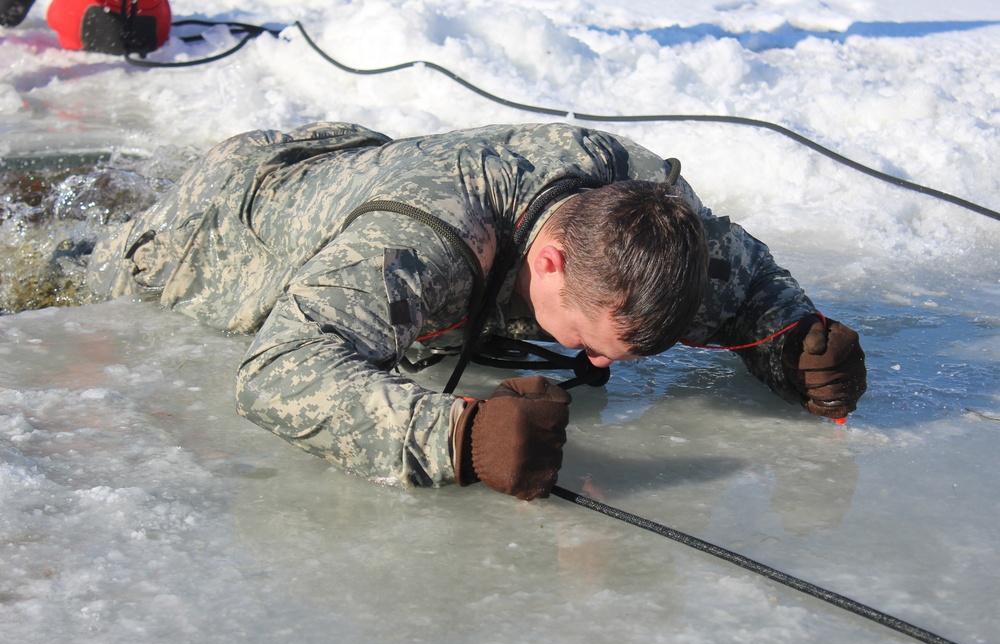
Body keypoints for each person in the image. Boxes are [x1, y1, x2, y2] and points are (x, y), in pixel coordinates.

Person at [82, 121, 867, 500]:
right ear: (551, 263)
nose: (594, 366)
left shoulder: (650, 224)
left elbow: (743, 274)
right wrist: (457, 436)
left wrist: (793, 340)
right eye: (588, 343)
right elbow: (279, 367)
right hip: (215, 228)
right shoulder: (425, 246)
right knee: (64, 266)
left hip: (356, 162)